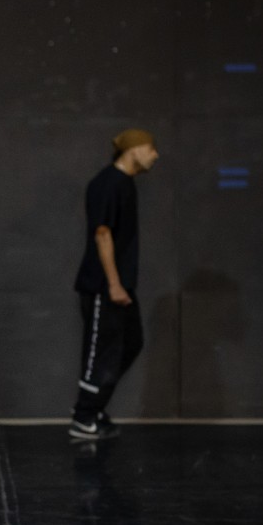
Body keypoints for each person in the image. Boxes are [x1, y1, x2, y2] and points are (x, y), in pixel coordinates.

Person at [68, 129, 159, 440]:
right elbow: (102, 234)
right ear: (133, 150)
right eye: (151, 148)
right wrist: (114, 284)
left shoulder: (125, 183)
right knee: (101, 353)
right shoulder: (108, 183)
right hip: (103, 285)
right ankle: (84, 416)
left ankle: (94, 406)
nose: (155, 155)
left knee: (131, 342)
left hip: (120, 284)